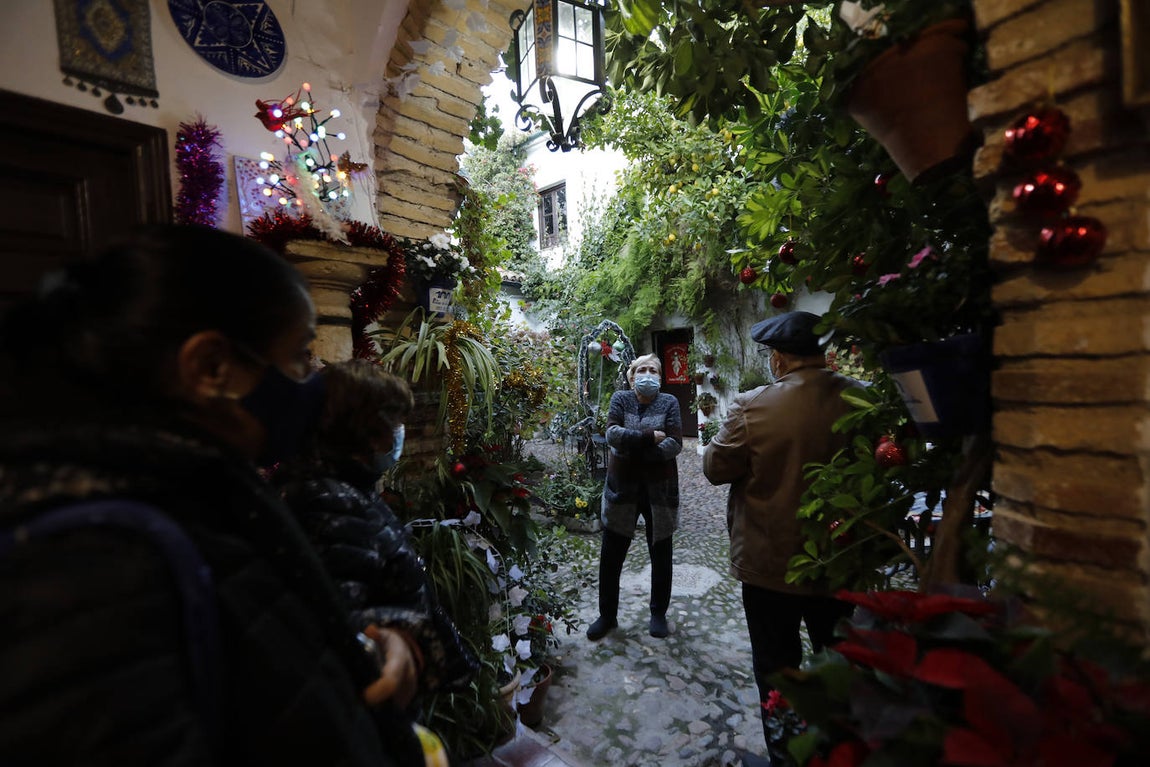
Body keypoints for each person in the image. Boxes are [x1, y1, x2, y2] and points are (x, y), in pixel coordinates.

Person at [0, 225, 423, 765]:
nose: (313, 378)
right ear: (211, 368)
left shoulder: (198, 493)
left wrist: (360, 646)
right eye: (299, 355)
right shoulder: (87, 568)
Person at [273, 359, 478, 711]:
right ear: (365, 428)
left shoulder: (348, 488)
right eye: (394, 421)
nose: (399, 433)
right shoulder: (330, 504)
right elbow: (341, 625)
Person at [702, 311, 862, 761]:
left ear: (778, 359)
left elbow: (714, 468)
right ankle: (841, 749)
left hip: (770, 565)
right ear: (822, 353)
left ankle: (788, 755)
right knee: (841, 661)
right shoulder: (861, 397)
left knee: (777, 671)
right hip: (841, 558)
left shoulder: (754, 405)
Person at [588, 353, 683, 640]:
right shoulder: (620, 399)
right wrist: (648, 438)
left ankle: (658, 614)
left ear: (660, 377)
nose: (647, 374)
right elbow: (612, 435)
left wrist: (634, 450)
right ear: (631, 378)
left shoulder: (669, 402)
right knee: (611, 555)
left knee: (661, 554)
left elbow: (675, 443)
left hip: (659, 492)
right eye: (641, 370)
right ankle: (607, 616)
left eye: (653, 370)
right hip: (622, 489)